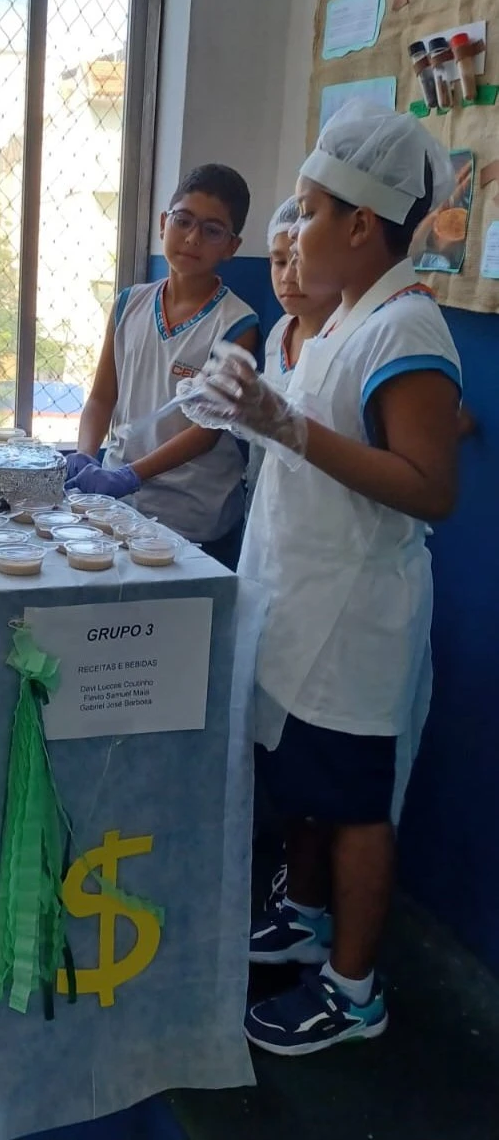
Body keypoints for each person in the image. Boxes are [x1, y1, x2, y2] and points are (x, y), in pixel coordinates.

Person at [182, 101, 463, 1055]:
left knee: (355, 809)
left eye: (307, 212)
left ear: (361, 223)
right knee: (304, 783)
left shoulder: (407, 327)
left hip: (355, 615)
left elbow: (430, 488)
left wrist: (287, 425)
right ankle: (303, 917)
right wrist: (246, 409)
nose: (293, 233)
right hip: (298, 597)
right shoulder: (341, 319)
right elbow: (304, 444)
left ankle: (353, 991)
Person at [65, 164, 259, 569]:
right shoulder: (128, 304)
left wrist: (130, 475)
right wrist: (86, 455)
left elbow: (206, 431)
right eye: (182, 221)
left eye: (212, 230)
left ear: (232, 246)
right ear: (162, 224)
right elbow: (102, 398)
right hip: (118, 508)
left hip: (192, 519)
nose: (192, 238)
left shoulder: (237, 323)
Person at [245, 197, 340, 508]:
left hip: (323, 511)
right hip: (268, 505)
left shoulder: (350, 338)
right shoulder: (279, 333)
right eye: (279, 261)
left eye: (298, 259)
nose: (287, 277)